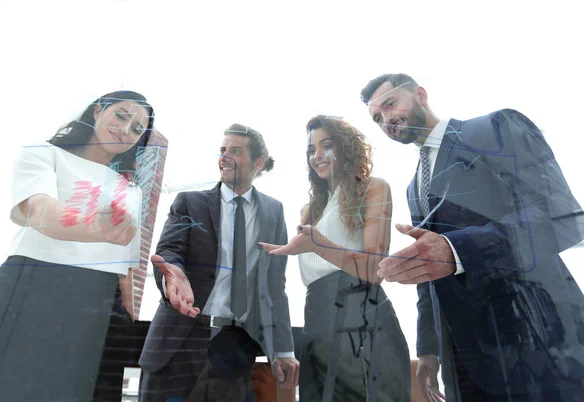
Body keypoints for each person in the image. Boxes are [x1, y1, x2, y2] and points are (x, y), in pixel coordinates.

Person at [360, 73, 584, 401]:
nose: (387, 119)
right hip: (465, 360)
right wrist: (429, 351)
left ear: (420, 94)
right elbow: (429, 266)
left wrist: (457, 249)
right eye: (377, 118)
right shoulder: (413, 189)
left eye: (390, 105)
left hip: (541, 340)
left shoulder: (494, 128)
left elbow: (559, 215)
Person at [0, 90, 154, 401]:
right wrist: (94, 226)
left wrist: (127, 323)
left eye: (137, 128)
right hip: (32, 285)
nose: (126, 129)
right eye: (121, 115)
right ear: (97, 112)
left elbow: (124, 267)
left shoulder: (132, 191)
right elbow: (39, 211)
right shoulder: (44, 154)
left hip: (99, 304)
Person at [138, 123, 300, 402]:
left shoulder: (274, 211)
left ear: (258, 162)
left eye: (235, 151)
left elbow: (275, 287)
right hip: (180, 337)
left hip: (235, 345)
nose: (223, 157)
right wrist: (173, 274)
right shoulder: (190, 202)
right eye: (222, 150)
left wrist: (283, 350)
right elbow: (169, 250)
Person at [260, 115, 411, 402]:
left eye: (326, 145)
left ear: (345, 148)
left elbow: (373, 269)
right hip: (316, 322)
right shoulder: (310, 210)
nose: (317, 156)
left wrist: (318, 245)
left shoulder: (373, 188)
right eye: (311, 150)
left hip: (360, 317)